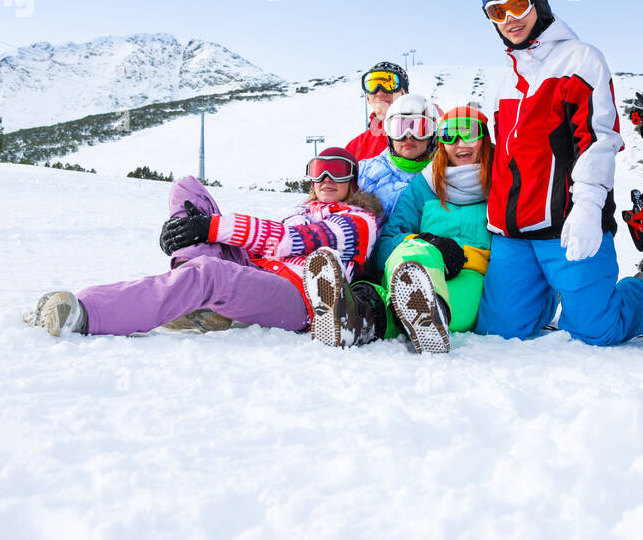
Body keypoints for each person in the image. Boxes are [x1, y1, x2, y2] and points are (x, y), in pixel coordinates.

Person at [26, 147, 382, 340]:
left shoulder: (360, 222)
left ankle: (87, 313)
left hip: (297, 297)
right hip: (254, 270)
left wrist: (211, 229)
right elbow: (268, 240)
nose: (326, 178)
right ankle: (198, 300)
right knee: (188, 190)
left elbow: (293, 241)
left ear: (353, 181)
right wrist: (198, 229)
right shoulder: (299, 212)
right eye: (318, 169)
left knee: (210, 273)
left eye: (338, 170)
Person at [473, 0, 643, 346]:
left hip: (569, 226)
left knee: (598, 331)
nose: (510, 19)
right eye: (496, 12)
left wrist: (587, 207)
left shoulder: (581, 59)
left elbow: (597, 139)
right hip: (512, 235)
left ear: (538, 3)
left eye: (517, 5)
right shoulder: (505, 79)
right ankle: (547, 294)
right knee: (497, 334)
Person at [364, 104, 494, 354]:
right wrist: (428, 241)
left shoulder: (501, 182)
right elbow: (388, 240)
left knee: (453, 303)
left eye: (470, 133)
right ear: (441, 142)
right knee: (412, 251)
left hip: (469, 271)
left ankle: (370, 315)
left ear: (484, 137)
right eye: (449, 135)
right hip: (419, 263)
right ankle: (364, 307)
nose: (460, 143)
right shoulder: (426, 185)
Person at [356, 93, 437, 221]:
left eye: (419, 128)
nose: (408, 136)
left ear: (432, 135)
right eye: (400, 128)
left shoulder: (445, 175)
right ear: (389, 134)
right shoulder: (364, 173)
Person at [345, 61, 408, 161]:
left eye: (389, 85)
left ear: (404, 95)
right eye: (372, 85)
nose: (379, 92)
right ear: (368, 98)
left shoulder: (421, 138)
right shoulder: (354, 147)